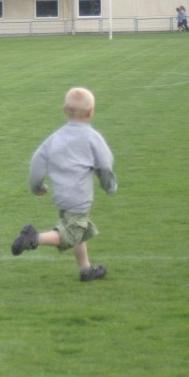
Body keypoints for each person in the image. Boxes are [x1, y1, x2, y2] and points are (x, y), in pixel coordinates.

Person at [11, 87, 117, 282]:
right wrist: (109, 185)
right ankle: (34, 238)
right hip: (78, 198)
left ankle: (86, 270)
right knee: (72, 231)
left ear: (64, 110)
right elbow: (104, 164)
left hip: (61, 197)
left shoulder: (55, 138)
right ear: (91, 111)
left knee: (78, 231)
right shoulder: (93, 137)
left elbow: (37, 162)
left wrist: (37, 187)